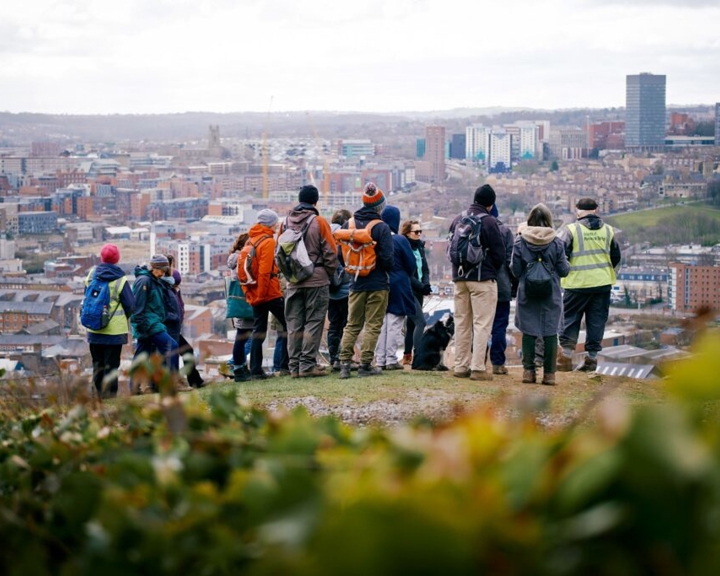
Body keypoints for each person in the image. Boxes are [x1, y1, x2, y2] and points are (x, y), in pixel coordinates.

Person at [447, 184, 506, 381]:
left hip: (459, 278)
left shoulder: (458, 219)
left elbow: (450, 248)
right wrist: (490, 270)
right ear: (491, 204)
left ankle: (460, 366)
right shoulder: (489, 222)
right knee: (481, 324)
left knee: (462, 323)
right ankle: (478, 368)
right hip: (482, 279)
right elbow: (500, 253)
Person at [557, 197, 622, 372]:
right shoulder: (608, 231)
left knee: (570, 319)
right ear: (596, 210)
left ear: (578, 210)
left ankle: (566, 357)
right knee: (596, 321)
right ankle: (591, 359)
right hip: (602, 284)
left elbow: (561, 256)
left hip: (576, 284)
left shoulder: (571, 230)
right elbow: (616, 257)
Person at [338, 183, 394, 378]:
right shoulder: (381, 227)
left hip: (355, 282)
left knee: (352, 324)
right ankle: (365, 365)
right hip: (377, 282)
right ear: (380, 207)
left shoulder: (349, 225)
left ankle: (344, 364)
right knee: (372, 324)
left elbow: (340, 255)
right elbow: (388, 259)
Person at [282, 185, 338, 378]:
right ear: (315, 202)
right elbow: (331, 253)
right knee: (314, 322)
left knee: (294, 324)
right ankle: (307, 365)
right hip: (317, 280)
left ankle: (294, 366)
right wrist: (328, 274)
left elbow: (279, 251)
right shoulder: (319, 222)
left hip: (293, 281)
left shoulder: (285, 222)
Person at [511, 204, 570, 385]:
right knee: (550, 331)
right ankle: (549, 374)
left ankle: (528, 372)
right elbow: (564, 270)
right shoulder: (557, 243)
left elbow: (515, 270)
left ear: (529, 221)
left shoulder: (520, 242)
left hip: (527, 292)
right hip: (550, 292)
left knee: (528, 331)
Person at [243, 209, 289, 379]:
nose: (277, 225)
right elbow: (265, 271)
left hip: (256, 292)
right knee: (288, 324)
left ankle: (255, 370)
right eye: (275, 222)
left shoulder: (252, 239)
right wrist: (262, 295)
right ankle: (285, 365)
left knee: (259, 330)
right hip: (269, 292)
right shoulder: (268, 241)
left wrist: (255, 295)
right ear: (270, 223)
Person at [84, 243, 135, 399]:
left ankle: (96, 397)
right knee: (111, 367)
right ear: (117, 259)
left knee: (97, 365)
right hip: (114, 333)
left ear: (102, 257)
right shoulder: (120, 279)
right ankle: (110, 398)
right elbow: (131, 305)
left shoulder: (92, 274)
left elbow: (87, 296)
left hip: (94, 328)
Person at [130, 254, 180, 393]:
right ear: (154, 268)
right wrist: (142, 326)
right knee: (172, 346)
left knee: (141, 355)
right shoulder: (144, 281)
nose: (163, 274)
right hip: (149, 324)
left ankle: (133, 387)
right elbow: (137, 307)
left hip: (152, 322)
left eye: (165, 271)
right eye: (162, 270)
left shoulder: (153, 280)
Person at [375, 206, 416, 370]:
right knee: (394, 322)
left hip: (380, 282)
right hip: (398, 283)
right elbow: (411, 264)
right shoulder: (400, 240)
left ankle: (380, 359)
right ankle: (391, 359)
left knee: (381, 323)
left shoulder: (377, 238)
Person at [488, 204, 515, 375]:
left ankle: (477, 362)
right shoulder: (505, 231)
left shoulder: (475, 227)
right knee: (499, 325)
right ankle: (497, 364)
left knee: (479, 324)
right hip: (502, 285)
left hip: (480, 282)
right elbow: (510, 261)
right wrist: (514, 283)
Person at [400, 220, 431, 366]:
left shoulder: (420, 247)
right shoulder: (404, 248)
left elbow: (425, 269)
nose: (419, 234)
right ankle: (419, 357)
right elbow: (407, 273)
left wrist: (426, 284)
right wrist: (420, 285)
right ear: (407, 233)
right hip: (408, 290)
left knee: (411, 323)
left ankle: (407, 355)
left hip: (419, 290)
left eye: (420, 231)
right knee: (421, 321)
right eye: (416, 232)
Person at [170, 269, 205, 388]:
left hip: (174, 329)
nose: (176, 286)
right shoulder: (168, 292)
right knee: (186, 351)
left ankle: (195, 381)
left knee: (187, 351)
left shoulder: (175, 291)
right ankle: (194, 382)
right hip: (169, 329)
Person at [327, 209, 352, 371]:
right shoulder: (346, 237)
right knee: (347, 324)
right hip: (346, 289)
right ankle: (344, 357)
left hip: (329, 290)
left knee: (334, 325)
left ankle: (333, 357)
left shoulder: (325, 236)